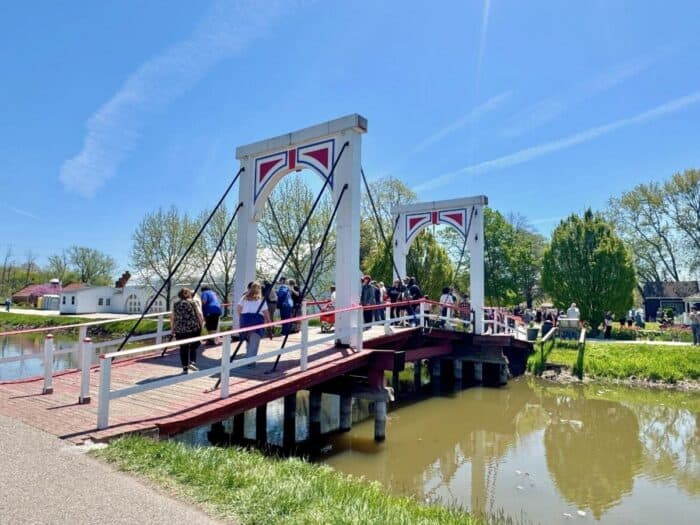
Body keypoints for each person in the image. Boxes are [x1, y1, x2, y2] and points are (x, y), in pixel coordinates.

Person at [237, 281, 272, 366]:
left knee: (248, 340)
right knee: (254, 341)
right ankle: (250, 361)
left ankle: (248, 357)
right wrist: (269, 324)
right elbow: (266, 313)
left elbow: (238, 309)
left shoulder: (244, 298)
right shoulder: (261, 300)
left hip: (245, 320)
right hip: (256, 322)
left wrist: (242, 318)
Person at [171, 287, 204, 374]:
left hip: (180, 329)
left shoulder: (175, 304)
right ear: (189, 294)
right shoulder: (193, 302)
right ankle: (192, 362)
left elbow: (172, 317)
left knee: (183, 348)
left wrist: (172, 328)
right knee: (195, 344)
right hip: (192, 327)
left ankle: (185, 368)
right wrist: (202, 325)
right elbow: (199, 314)